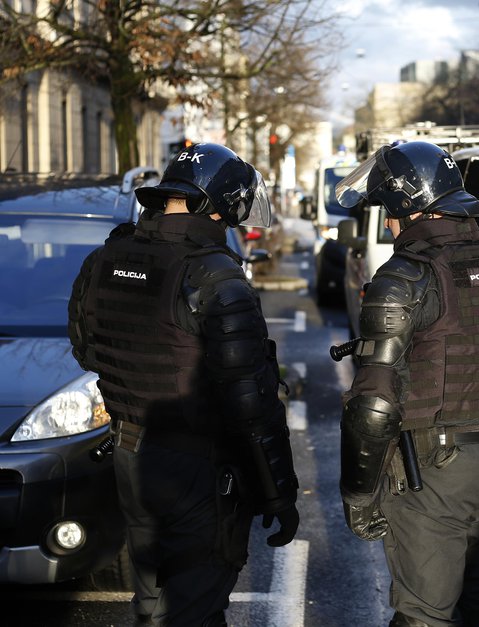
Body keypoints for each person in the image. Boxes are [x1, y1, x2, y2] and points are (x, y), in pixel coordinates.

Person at [68, 143, 300, 626]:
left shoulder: (105, 258)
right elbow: (251, 404)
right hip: (197, 467)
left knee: (153, 603)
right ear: (220, 205)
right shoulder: (215, 276)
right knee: (195, 604)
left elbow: (86, 350)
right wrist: (278, 493)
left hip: (130, 453)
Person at [335, 141, 479, 627]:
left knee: (425, 615)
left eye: (389, 211)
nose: (387, 224)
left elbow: (373, 406)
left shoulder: (406, 276)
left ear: (410, 207)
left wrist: (359, 496)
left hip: (434, 472)